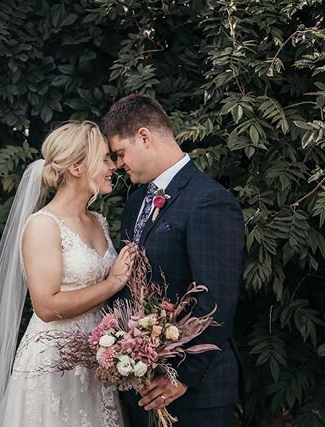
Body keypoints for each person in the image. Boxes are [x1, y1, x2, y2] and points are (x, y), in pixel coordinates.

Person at [0, 121, 134, 427]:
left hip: (96, 361)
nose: (113, 166)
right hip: (54, 363)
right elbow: (46, 305)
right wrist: (112, 283)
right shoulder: (43, 225)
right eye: (105, 159)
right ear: (78, 168)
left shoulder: (99, 222)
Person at [102, 94, 245, 427]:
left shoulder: (208, 200)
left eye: (121, 153)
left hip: (196, 392)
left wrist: (180, 376)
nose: (119, 164)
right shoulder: (137, 201)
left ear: (144, 137)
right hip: (142, 385)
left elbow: (217, 302)